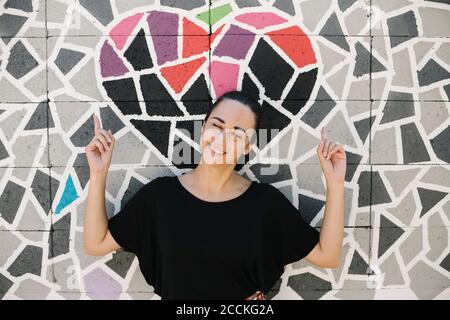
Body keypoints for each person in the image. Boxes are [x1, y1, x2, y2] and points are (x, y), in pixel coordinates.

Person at [83, 91, 346, 300]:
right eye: (216, 125)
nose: (221, 139)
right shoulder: (159, 198)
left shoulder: (266, 205)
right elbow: (97, 243)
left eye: (236, 133)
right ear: (203, 129)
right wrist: (98, 173)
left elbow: (328, 255)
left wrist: (334, 182)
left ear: (246, 147)